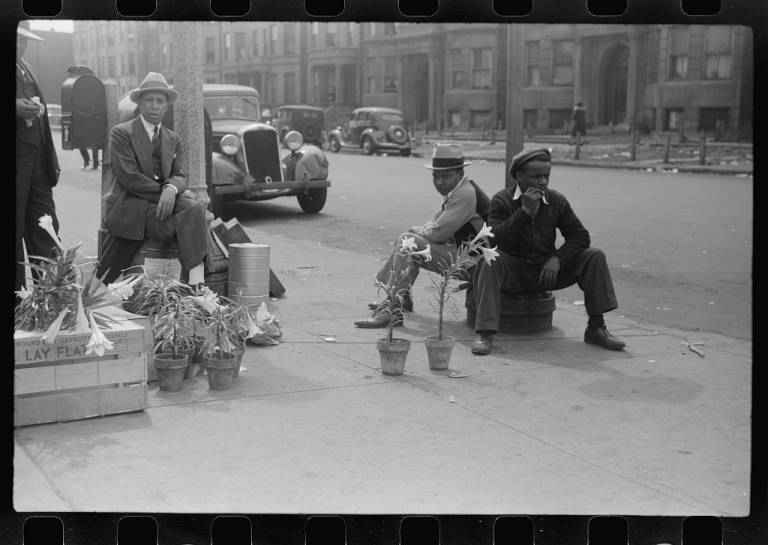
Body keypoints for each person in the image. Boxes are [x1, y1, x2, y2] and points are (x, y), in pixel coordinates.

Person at [470, 148, 625, 355]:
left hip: (546, 270)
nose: (543, 182)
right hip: (514, 271)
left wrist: (557, 259)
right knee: (489, 260)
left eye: (547, 176)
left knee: (594, 256)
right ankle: (485, 334)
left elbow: (580, 236)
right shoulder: (502, 200)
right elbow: (495, 240)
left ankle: (596, 327)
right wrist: (525, 212)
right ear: (519, 176)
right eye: (536, 176)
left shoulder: (555, 200)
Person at [95, 72, 208, 285]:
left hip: (164, 201)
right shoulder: (122, 133)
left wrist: (171, 190)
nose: (155, 106)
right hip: (132, 204)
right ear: (139, 103)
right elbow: (129, 178)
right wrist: (163, 193)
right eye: (149, 100)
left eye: (160, 101)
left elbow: (180, 174)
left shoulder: (172, 138)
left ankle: (196, 281)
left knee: (195, 208)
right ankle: (192, 281)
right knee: (188, 220)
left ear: (166, 106)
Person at [354, 143, 484, 328]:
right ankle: (400, 297)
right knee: (410, 241)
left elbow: (438, 233)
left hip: (473, 262)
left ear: (460, 173)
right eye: (436, 176)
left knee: (409, 243)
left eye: (446, 176)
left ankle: (391, 306)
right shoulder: (459, 190)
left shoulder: (465, 194)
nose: (440, 182)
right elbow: (435, 224)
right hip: (464, 253)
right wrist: (419, 231)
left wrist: (415, 231)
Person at [16, 22, 61, 291]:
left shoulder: (25, 66)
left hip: (37, 167)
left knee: (46, 229)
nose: (20, 44)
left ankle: (53, 298)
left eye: (24, 40)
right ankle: (17, 304)